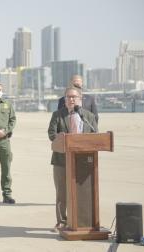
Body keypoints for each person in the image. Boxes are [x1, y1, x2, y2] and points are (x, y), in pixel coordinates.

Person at [48, 87, 98, 230]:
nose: (71, 99)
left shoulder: (89, 116)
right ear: (64, 100)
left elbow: (95, 135)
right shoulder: (57, 115)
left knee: (83, 192)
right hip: (61, 160)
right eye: (68, 97)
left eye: (74, 97)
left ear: (80, 99)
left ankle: (82, 221)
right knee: (62, 193)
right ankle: (62, 221)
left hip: (83, 161)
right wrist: (62, 139)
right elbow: (52, 134)